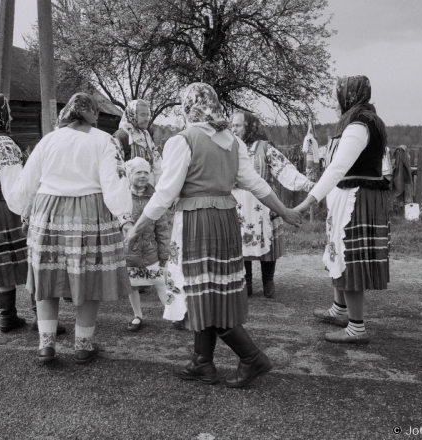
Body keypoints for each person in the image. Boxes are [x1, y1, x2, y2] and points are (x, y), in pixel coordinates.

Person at [127, 83, 302, 388]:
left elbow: (166, 192)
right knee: (211, 291)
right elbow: (256, 184)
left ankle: (251, 357)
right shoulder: (233, 140)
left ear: (188, 107)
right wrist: (284, 211)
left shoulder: (183, 140)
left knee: (202, 292)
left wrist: (138, 225)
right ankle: (201, 362)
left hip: (197, 222)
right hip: (225, 220)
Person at [8, 92, 133, 364]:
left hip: (48, 211)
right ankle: (83, 346)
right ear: (93, 114)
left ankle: (46, 346)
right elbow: (114, 183)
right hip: (90, 212)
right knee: (89, 278)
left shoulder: (48, 140)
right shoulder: (105, 140)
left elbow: (26, 186)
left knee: (47, 278)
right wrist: (125, 217)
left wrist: (25, 211)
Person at [294, 75, 390, 344]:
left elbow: (338, 168)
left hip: (356, 199)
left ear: (349, 96)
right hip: (350, 197)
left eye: (338, 96)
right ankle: (339, 310)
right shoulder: (357, 121)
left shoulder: (360, 125)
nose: (335, 103)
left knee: (349, 258)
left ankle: (356, 329)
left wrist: (307, 202)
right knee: (337, 252)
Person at [0, 94, 65, 335]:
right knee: (32, 257)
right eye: (7, 111)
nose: (10, 116)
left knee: (3, 259)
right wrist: (27, 211)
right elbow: (15, 181)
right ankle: (39, 318)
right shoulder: (1, 141)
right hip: (7, 204)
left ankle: (7, 318)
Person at [230, 111, 314, 298]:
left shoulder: (264, 147)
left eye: (237, 125)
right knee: (241, 243)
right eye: (232, 125)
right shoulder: (229, 147)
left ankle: (268, 280)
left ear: (249, 127)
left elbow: (285, 170)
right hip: (239, 205)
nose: (233, 129)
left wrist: (308, 185)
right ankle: (247, 281)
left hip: (264, 203)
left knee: (267, 242)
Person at [124, 157, 176, 332]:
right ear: (129, 174)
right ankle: (137, 315)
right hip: (128, 251)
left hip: (150, 250)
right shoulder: (121, 198)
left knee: (160, 281)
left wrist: (164, 254)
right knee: (132, 285)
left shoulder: (156, 197)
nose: (142, 176)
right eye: (138, 172)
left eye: (146, 172)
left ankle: (173, 313)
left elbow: (162, 228)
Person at [113, 99, 163, 185]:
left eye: (148, 115)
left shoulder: (146, 134)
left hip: (148, 189)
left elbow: (157, 163)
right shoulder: (121, 136)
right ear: (132, 115)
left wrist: (160, 186)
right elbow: (116, 167)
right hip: (129, 190)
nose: (147, 119)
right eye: (143, 115)